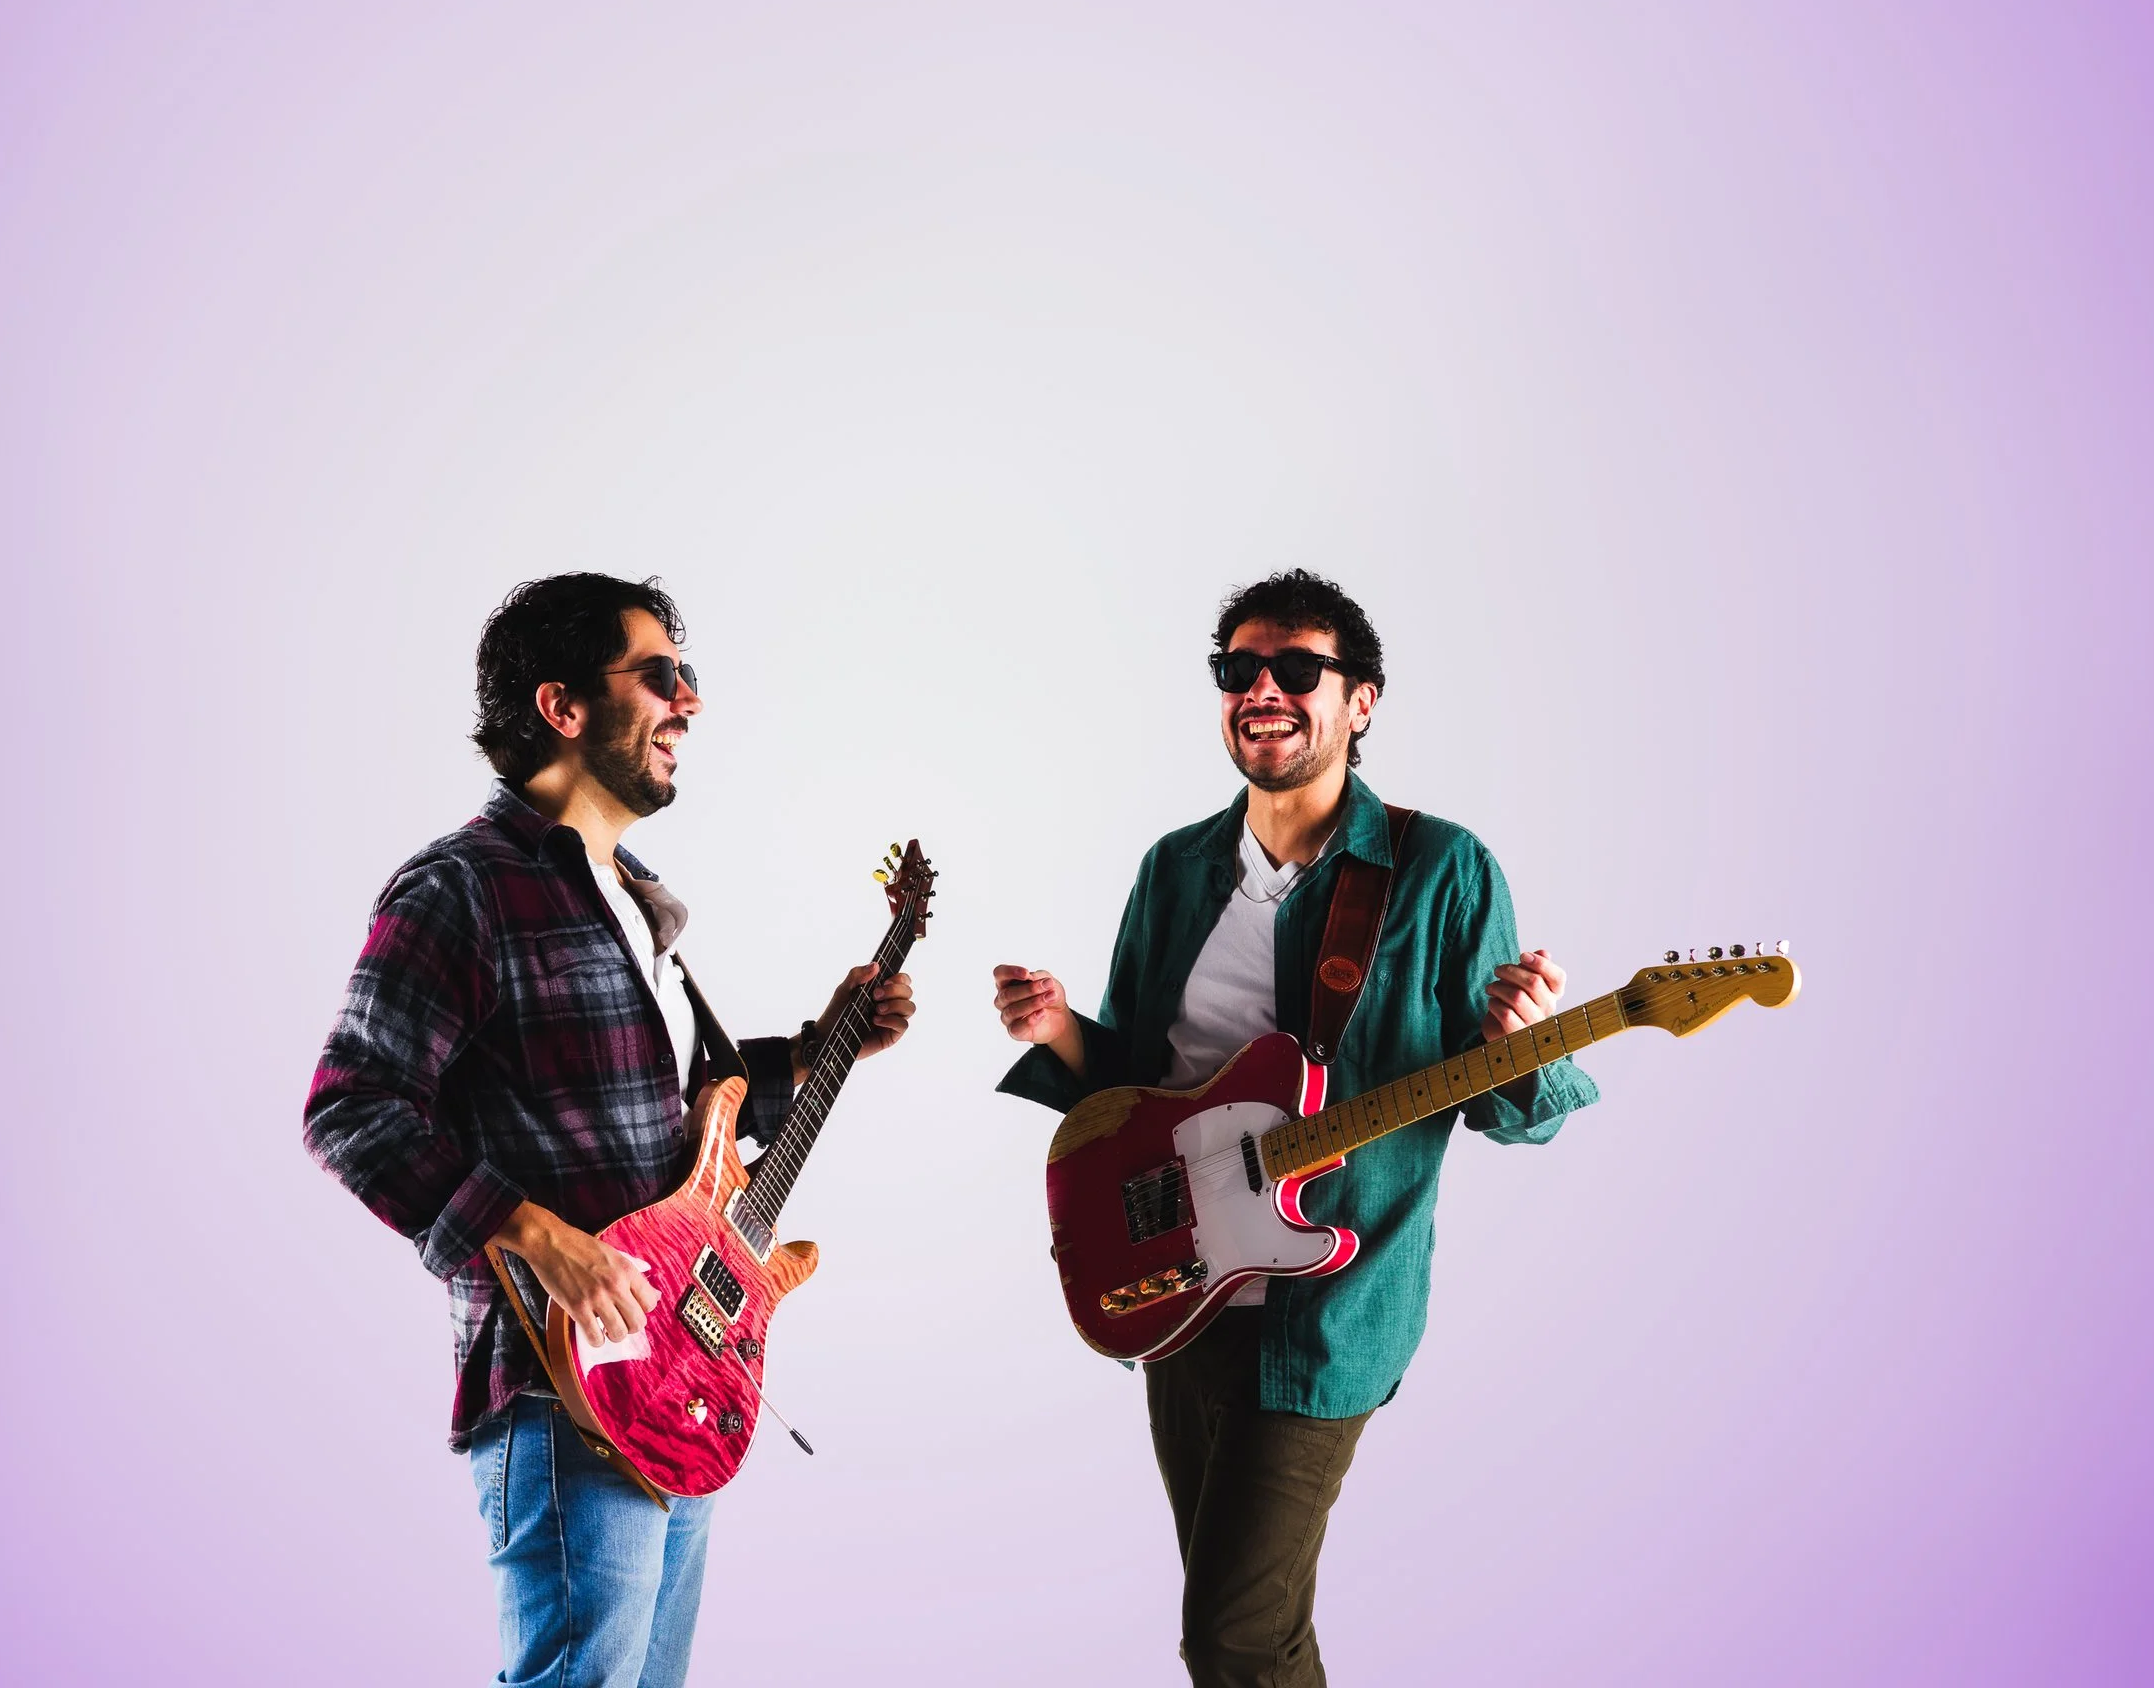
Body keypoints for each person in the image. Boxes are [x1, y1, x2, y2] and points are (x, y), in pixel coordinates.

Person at [305, 572, 914, 1688]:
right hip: (562, 1383)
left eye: (689, 676)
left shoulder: (629, 894)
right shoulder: (462, 887)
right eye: (660, 676)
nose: (690, 701)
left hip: (680, 1372)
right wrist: (542, 1238)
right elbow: (352, 1105)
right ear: (563, 706)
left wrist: (817, 1046)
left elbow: (668, 1126)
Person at [993, 568, 1592, 1688]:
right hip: (1176, 1291)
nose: (1261, 689)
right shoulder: (1175, 869)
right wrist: (1062, 1028)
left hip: (1327, 1311)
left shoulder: (1441, 870)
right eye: (1238, 669)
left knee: (1230, 1634)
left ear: (1361, 700)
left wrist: (1525, 1041)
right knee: (1256, 1636)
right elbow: (1138, 1097)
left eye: (1296, 669)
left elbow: (1512, 1113)